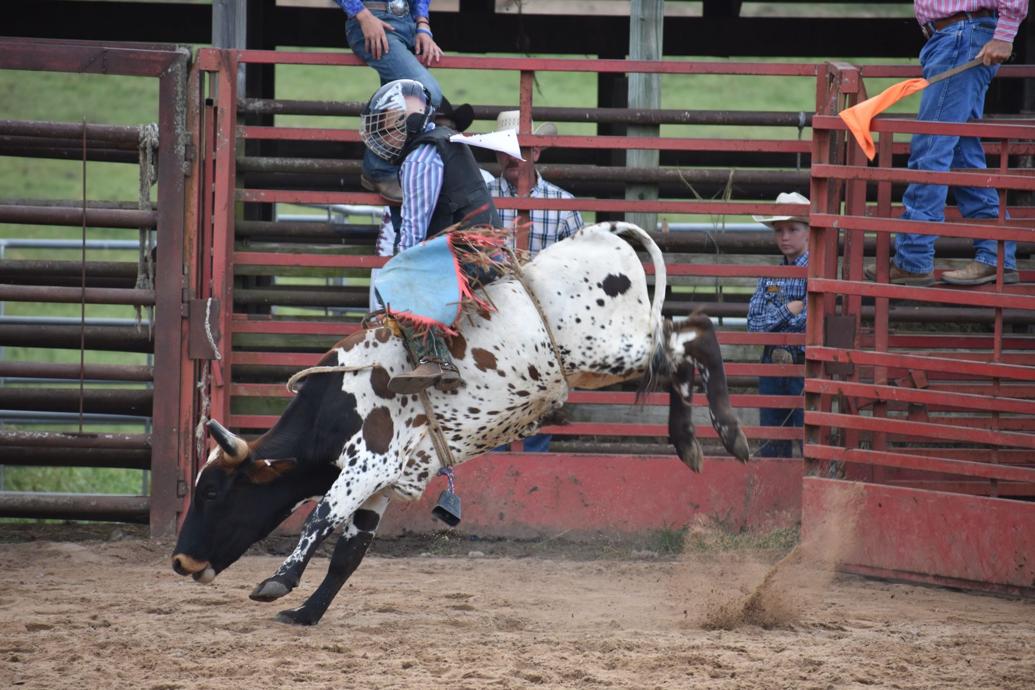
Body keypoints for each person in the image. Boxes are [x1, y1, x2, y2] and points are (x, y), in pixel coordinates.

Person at [865, 1, 1028, 287]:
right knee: (960, 153)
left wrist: (1005, 35)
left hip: (960, 36)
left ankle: (913, 259)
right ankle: (996, 253)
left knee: (931, 148)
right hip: (955, 37)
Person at [360, 79, 499, 394]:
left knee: (399, 277)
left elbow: (413, 231)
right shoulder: (446, 142)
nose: (385, 136)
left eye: (389, 128)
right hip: (481, 248)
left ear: (408, 124)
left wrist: (398, 269)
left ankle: (434, 359)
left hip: (465, 256)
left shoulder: (419, 159)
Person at [337, 0, 445, 203]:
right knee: (428, 92)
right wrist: (363, 16)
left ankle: (384, 171)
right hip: (372, 19)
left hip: (408, 24)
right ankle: (378, 168)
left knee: (403, 97)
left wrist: (422, 24)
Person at [748, 192, 809, 458]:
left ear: (808, 232)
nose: (785, 237)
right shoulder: (771, 276)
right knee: (772, 443)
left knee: (808, 439)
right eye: (779, 230)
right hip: (772, 365)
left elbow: (808, 322)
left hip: (803, 364)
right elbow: (753, 325)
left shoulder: (816, 273)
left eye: (793, 229)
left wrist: (775, 317)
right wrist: (788, 310)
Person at [488, 110, 585, 255]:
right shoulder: (481, 197)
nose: (513, 157)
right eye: (505, 148)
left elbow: (579, 258)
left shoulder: (565, 205)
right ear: (497, 154)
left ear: (536, 152)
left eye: (520, 148)